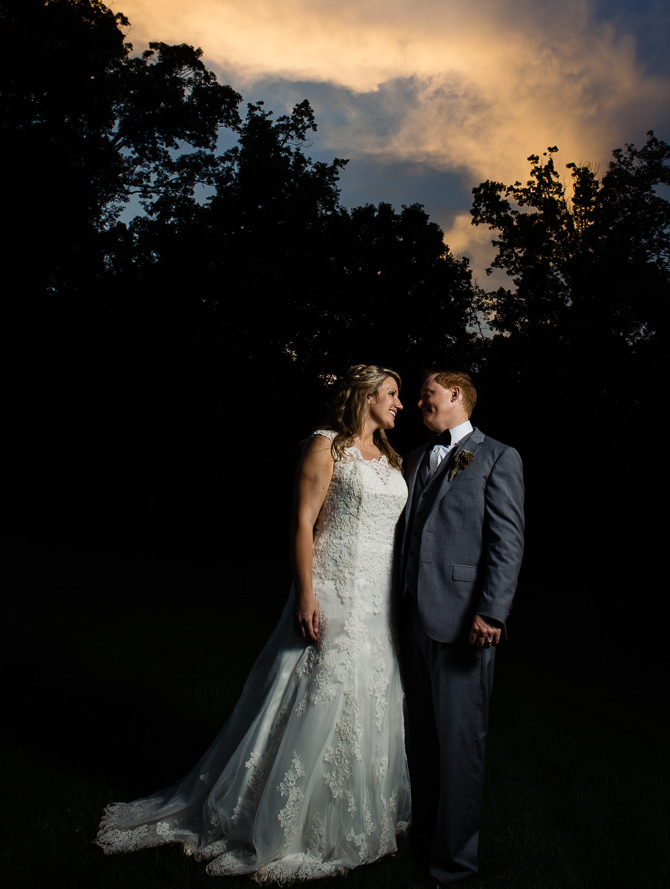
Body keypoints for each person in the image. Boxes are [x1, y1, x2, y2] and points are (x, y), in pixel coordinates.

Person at [96, 365, 412, 882]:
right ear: (364, 396)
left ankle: (351, 816)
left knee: (370, 698)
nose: (400, 404)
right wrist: (307, 595)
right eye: (392, 394)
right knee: (314, 697)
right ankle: (271, 818)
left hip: (379, 603)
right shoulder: (325, 445)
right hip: (334, 589)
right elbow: (303, 525)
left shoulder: (393, 459)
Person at [399, 369, 525, 886]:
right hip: (409, 620)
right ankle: (421, 838)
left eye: (426, 392)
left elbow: (507, 541)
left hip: (463, 621)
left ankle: (455, 865)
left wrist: (492, 611)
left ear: (454, 393)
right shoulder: (412, 457)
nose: (417, 401)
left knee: (459, 747)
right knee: (419, 743)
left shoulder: (498, 455)